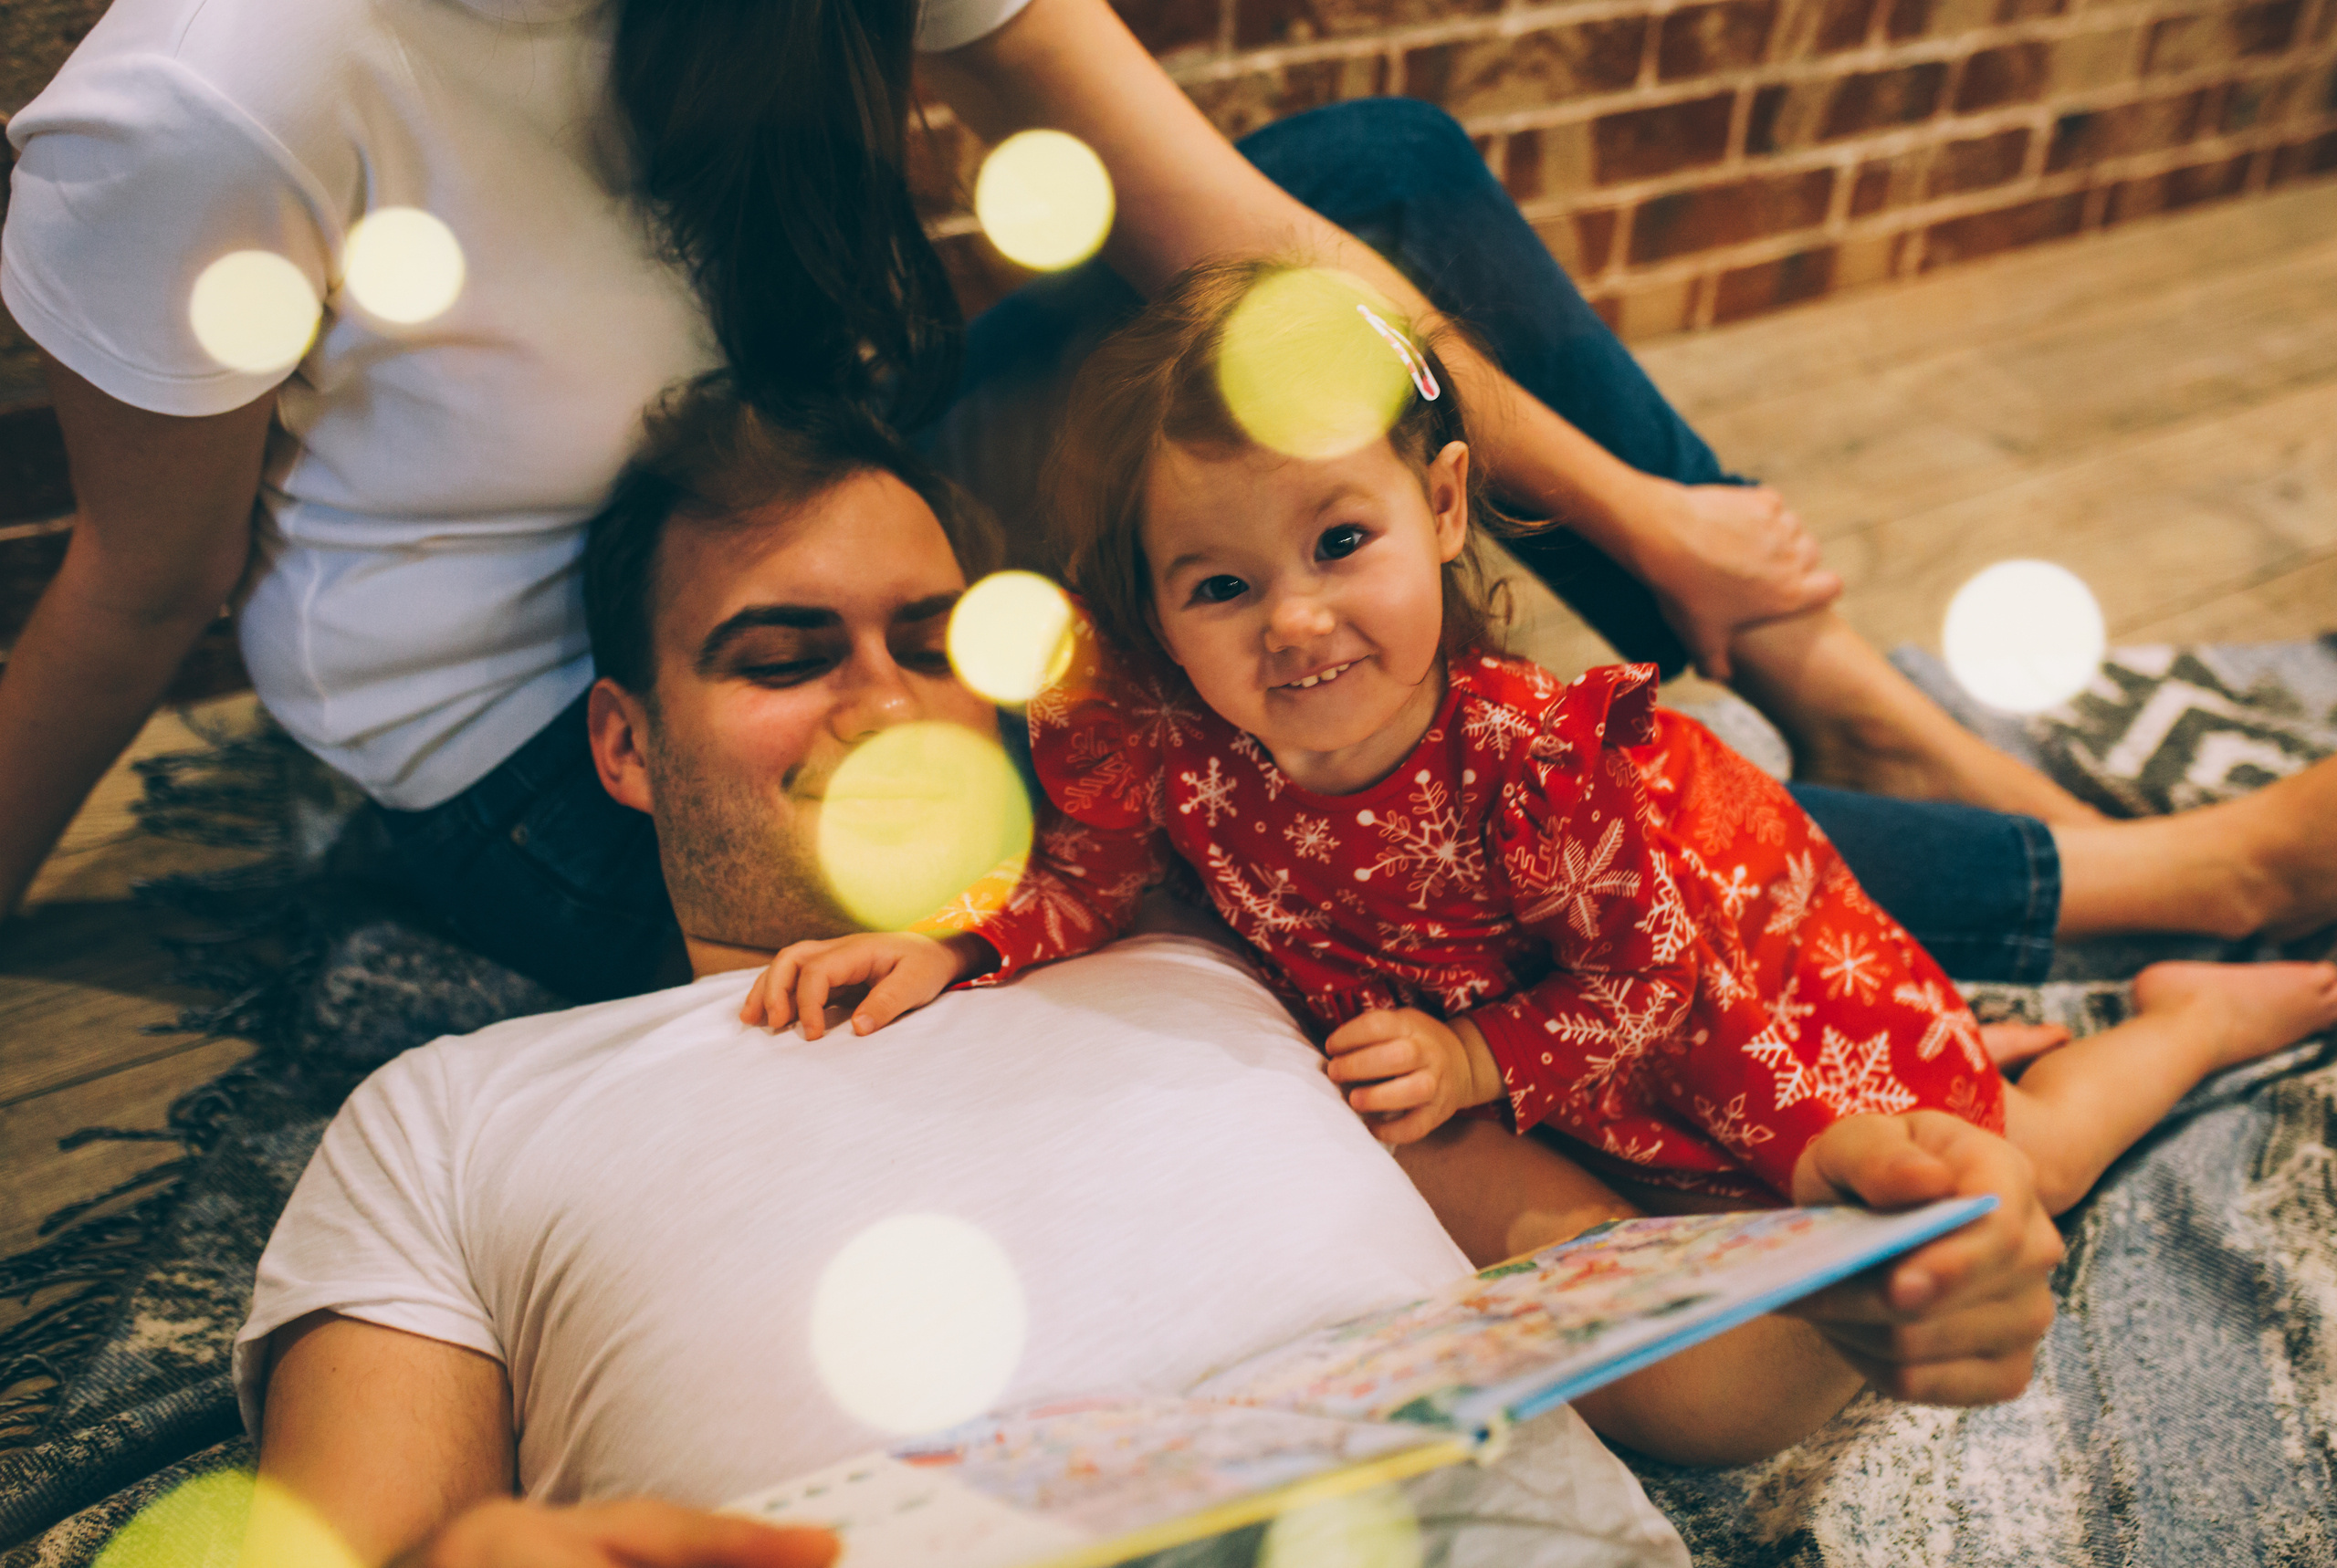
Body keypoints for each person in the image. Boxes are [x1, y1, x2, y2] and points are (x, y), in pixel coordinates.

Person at [22, 0, 2322, 1007]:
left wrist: (1664, 520)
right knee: (1255, 773)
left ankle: (1837, 700)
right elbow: (140, 591)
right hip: (574, 713)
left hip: (844, 488)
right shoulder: (214, 108)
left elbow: (1241, 227)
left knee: (1375, 181)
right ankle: (2138, 879)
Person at [237, 378, 2062, 1568]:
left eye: (936, 641)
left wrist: (1861, 1273)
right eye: (784, 653)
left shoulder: (1225, 938)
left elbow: (1672, 1372)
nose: (884, 703)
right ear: (625, 748)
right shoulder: (460, 1111)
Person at [742, 265, 2337, 1215]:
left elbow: (1653, 985)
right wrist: (957, 947)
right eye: (1221, 583)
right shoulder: (1178, 747)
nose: (1292, 621)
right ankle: (2032, 1028)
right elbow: (1087, 880)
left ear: (1440, 510)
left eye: (1339, 543)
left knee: (1989, 1175)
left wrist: (1468, 1057)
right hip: (1573, 1083)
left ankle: (2189, 1016)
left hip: (1728, 1014)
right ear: (1159, 611)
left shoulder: (1532, 766)